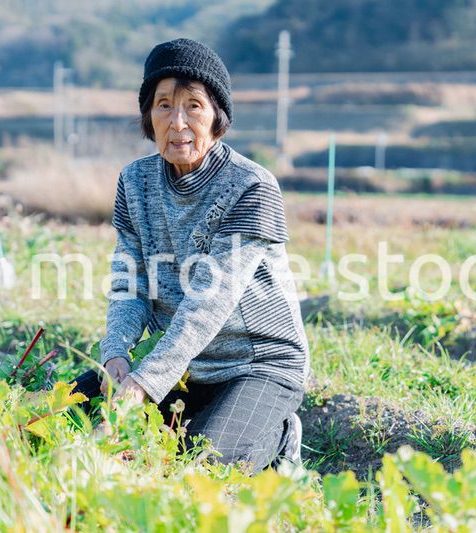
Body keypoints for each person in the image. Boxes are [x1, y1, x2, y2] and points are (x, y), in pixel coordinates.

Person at [71, 38, 310, 473]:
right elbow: (131, 282)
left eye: (193, 106)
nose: (177, 121)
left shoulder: (251, 187)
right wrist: (117, 356)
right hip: (185, 365)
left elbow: (208, 304)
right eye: (163, 105)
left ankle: (279, 433)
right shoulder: (135, 182)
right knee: (70, 417)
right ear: (149, 116)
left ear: (217, 117)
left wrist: (142, 387)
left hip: (255, 365)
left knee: (200, 465)